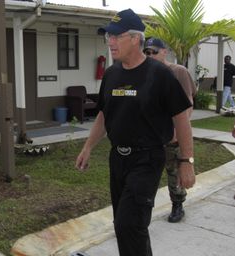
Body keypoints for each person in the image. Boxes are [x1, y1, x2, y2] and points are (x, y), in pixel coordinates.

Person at [76, 9, 195, 256]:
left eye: (116, 36)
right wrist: (88, 147)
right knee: (123, 223)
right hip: (118, 159)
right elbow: (103, 114)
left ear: (135, 39)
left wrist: (186, 161)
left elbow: (182, 119)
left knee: (130, 223)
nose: (110, 42)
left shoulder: (159, 74)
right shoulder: (111, 74)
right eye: (108, 36)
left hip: (147, 158)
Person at [143, 38, 196, 223]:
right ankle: (144, 209)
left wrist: (176, 130)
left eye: (154, 52)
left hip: (173, 136)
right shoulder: (146, 73)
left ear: (165, 52)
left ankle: (178, 205)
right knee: (147, 175)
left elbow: (188, 104)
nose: (150, 56)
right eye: (147, 52)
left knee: (174, 173)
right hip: (152, 137)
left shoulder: (178, 72)